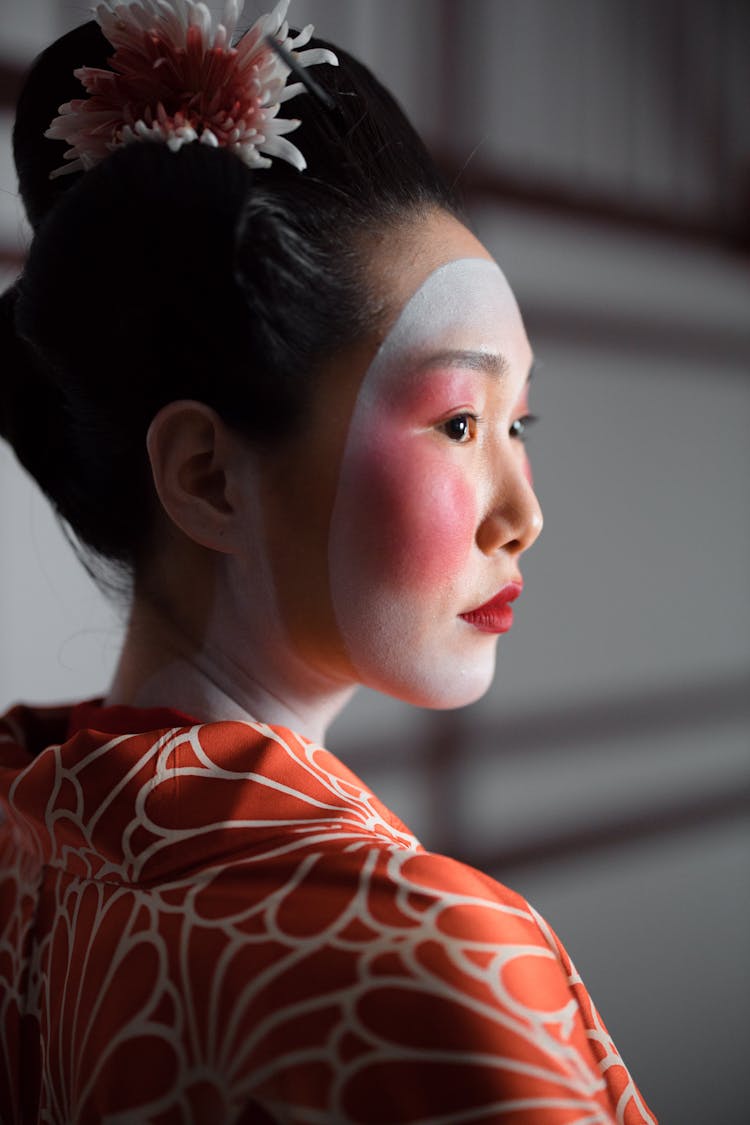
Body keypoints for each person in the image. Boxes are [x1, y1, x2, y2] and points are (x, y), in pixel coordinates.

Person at [0, 2, 657, 1121]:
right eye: (459, 422)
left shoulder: (32, 827)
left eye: (520, 426)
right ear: (209, 475)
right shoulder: (427, 965)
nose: (523, 516)